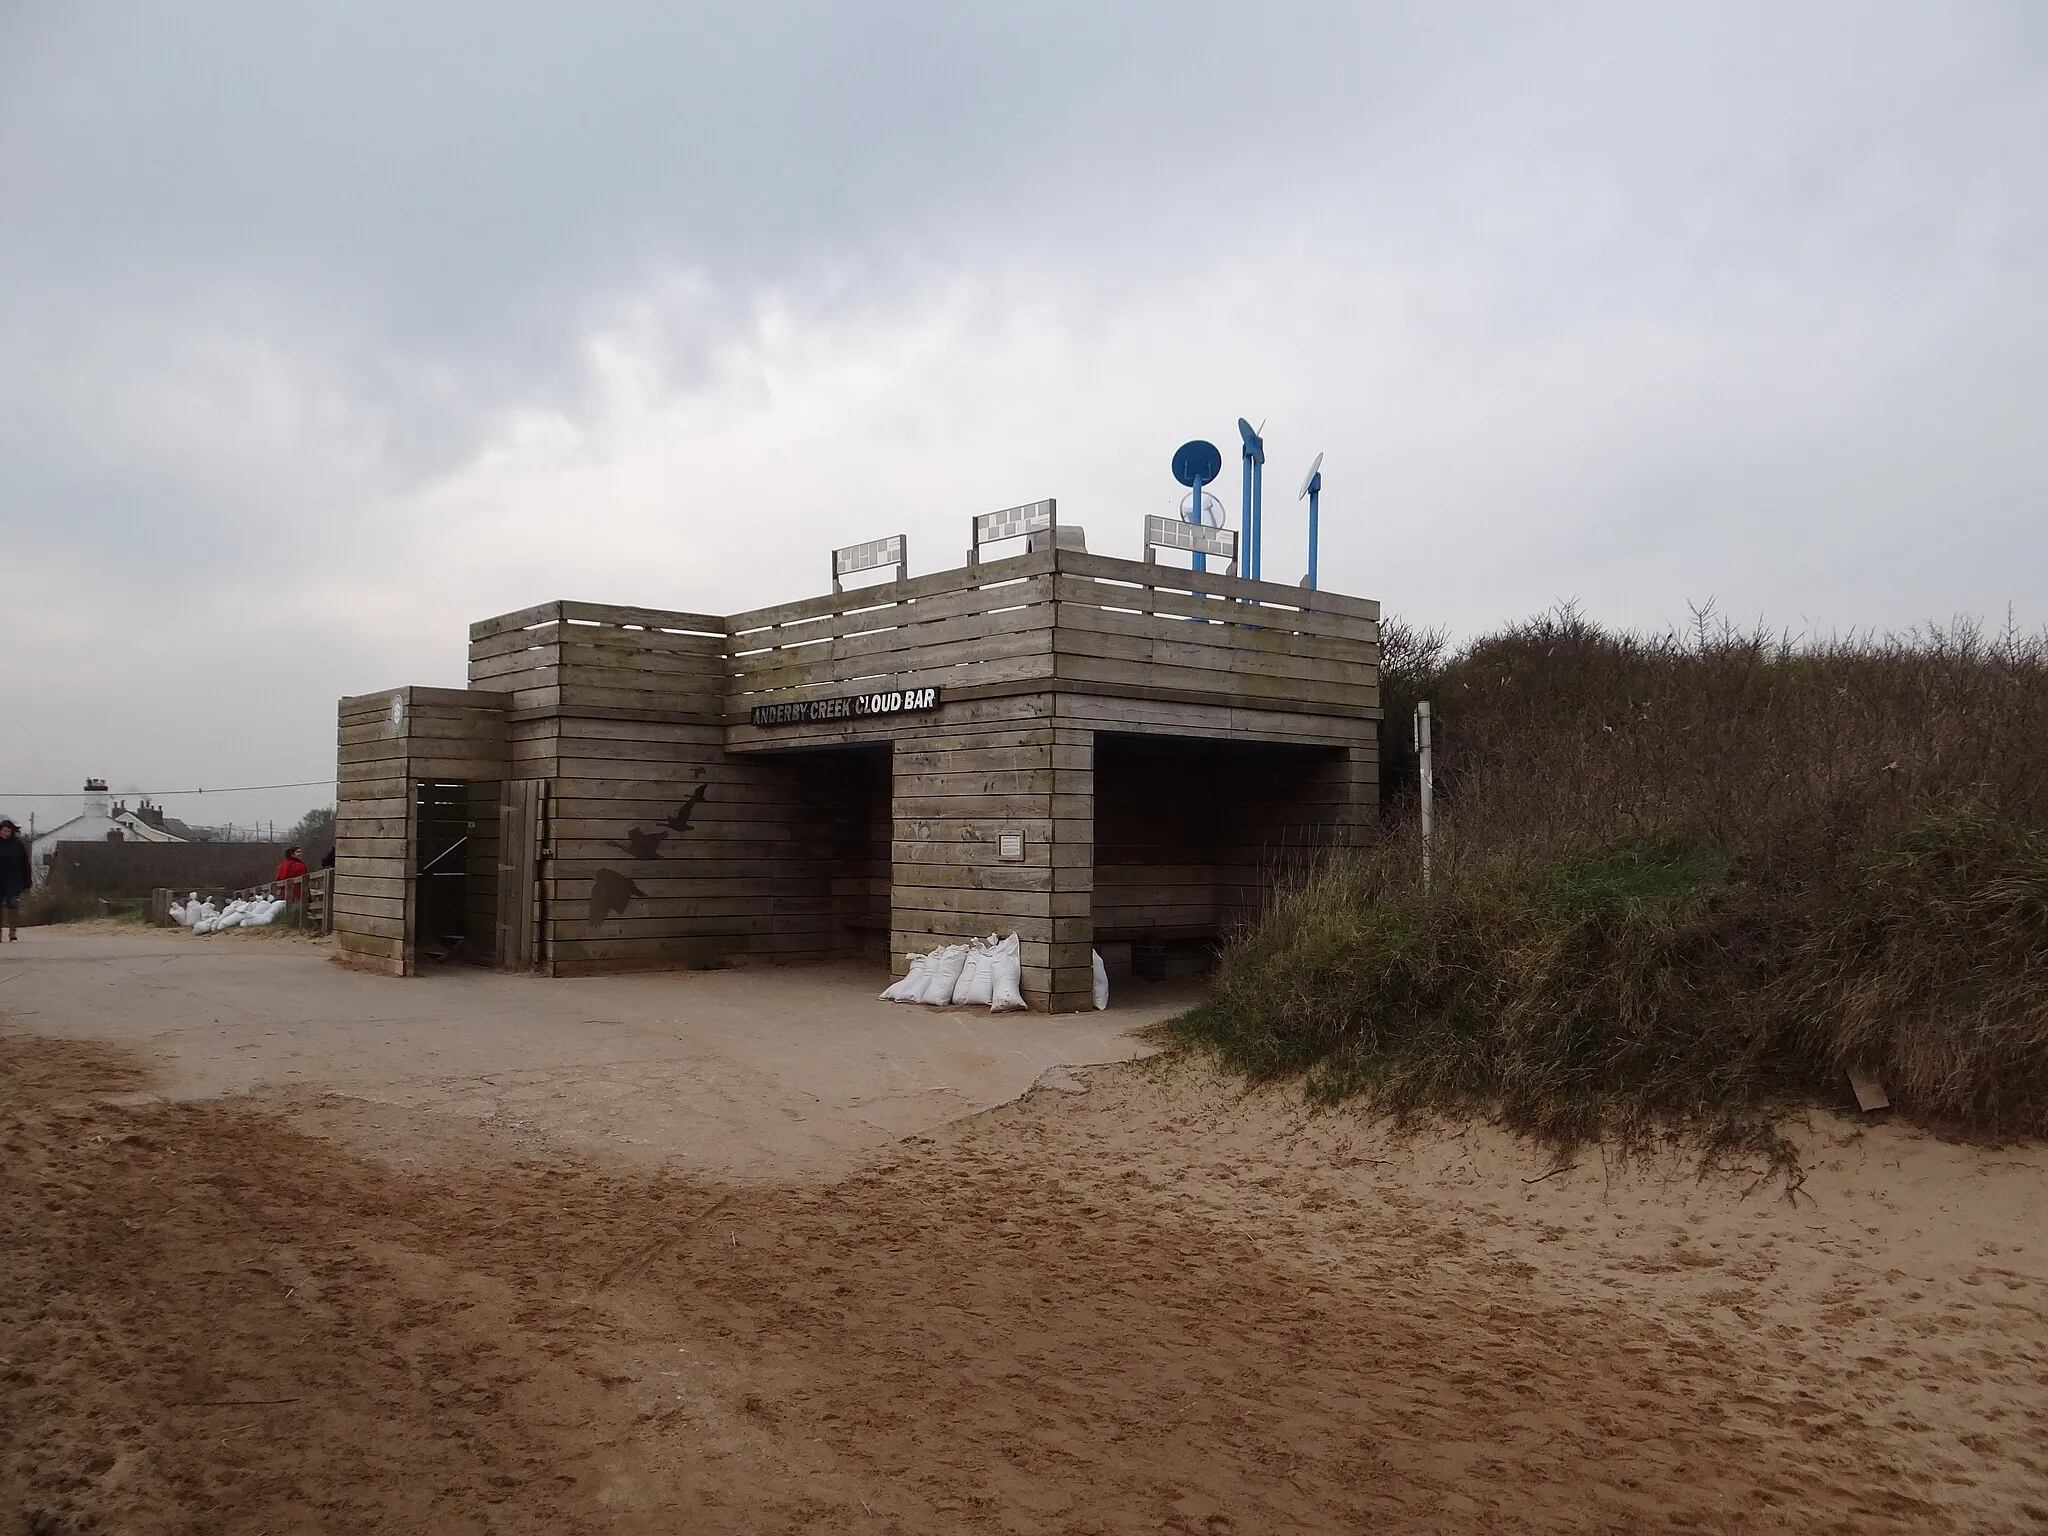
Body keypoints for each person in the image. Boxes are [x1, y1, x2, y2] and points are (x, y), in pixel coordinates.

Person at [0, 819, 31, 941]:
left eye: (8, 831)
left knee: (12, 904)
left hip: (14, 880)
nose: (6, 833)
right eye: (4, 831)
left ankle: (13, 931)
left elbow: (25, 864)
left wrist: (27, 880)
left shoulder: (18, 844)